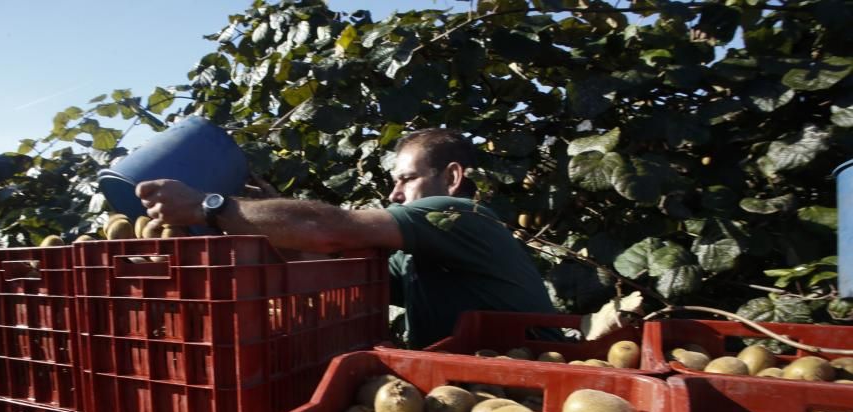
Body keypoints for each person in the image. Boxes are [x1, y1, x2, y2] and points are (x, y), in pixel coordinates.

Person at [136, 128, 556, 349]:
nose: (394, 194)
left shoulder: (458, 216)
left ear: (451, 177)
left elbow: (333, 230)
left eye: (406, 179)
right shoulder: (418, 253)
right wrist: (264, 219)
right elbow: (329, 262)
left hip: (523, 380)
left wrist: (208, 207)